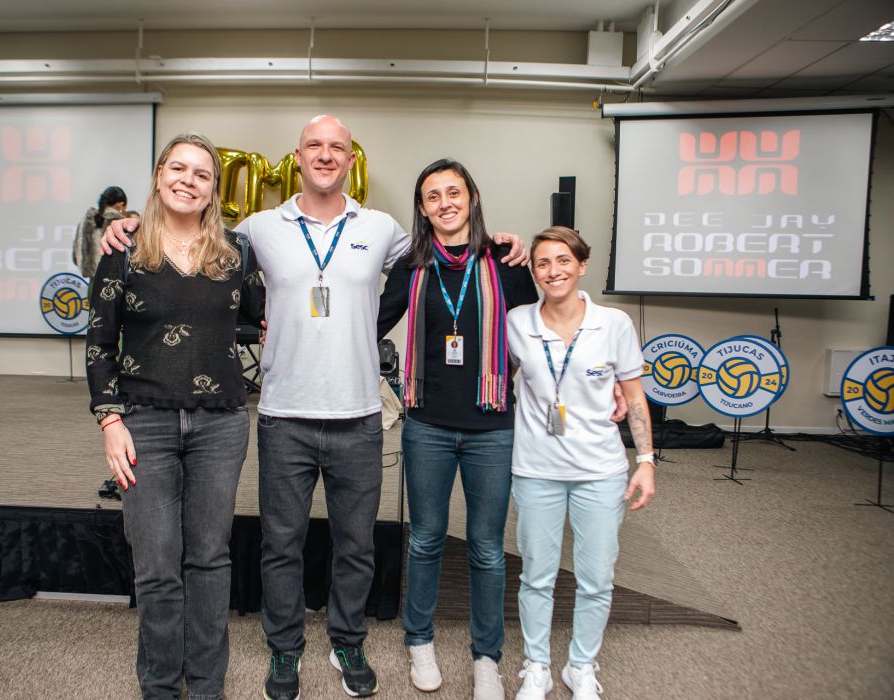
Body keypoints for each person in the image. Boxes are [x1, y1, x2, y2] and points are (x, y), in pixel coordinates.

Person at [99, 115, 527, 700]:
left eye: (337, 148)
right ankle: (284, 649)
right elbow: (190, 238)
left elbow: (449, 245)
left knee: (356, 546)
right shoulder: (254, 231)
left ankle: (347, 640)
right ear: (297, 157)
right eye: (314, 146)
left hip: (359, 416)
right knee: (281, 546)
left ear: (351, 159)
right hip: (283, 416)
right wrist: (127, 225)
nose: (325, 155)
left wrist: (504, 243)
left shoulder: (382, 229)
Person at [85, 132, 263, 700]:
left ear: (214, 190)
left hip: (221, 424)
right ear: (159, 176)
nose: (189, 180)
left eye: (202, 174)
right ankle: (160, 686)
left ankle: (207, 686)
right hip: (144, 423)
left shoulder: (236, 253)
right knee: (157, 566)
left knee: (209, 559)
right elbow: (99, 343)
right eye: (178, 169)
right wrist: (110, 422)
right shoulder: (123, 249)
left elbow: (261, 318)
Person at [377, 159, 538, 699]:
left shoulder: (508, 262)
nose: (445, 202)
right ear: (422, 209)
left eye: (454, 192)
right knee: (425, 540)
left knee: (487, 548)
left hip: (492, 428)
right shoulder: (411, 266)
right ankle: (418, 639)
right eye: (433, 196)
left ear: (472, 198)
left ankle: (487, 656)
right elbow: (369, 323)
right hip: (427, 426)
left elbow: (542, 334)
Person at [506, 226, 656, 700]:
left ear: (582, 265)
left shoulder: (614, 324)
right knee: (536, 576)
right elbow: (493, 377)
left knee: (596, 578)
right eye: (543, 263)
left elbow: (633, 396)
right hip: (536, 469)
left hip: (600, 472)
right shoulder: (516, 322)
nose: (554, 271)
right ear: (534, 272)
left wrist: (646, 460)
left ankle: (581, 666)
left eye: (563, 261)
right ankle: (537, 666)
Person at [73, 185, 137, 279]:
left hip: (92, 282)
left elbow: (75, 257)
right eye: (125, 207)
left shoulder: (85, 222)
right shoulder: (118, 222)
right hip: (113, 281)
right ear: (120, 204)